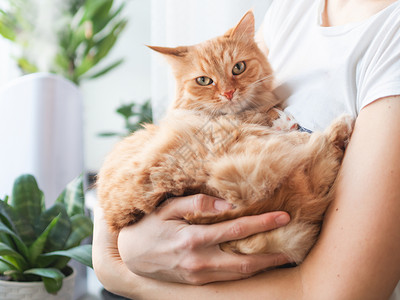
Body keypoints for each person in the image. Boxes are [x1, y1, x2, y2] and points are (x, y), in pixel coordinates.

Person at [93, 0, 400, 299]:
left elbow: (330, 292)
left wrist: (120, 272)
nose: (227, 91)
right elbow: (151, 166)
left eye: (237, 69)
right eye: (205, 81)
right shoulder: (294, 8)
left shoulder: (390, 35)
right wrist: (123, 246)